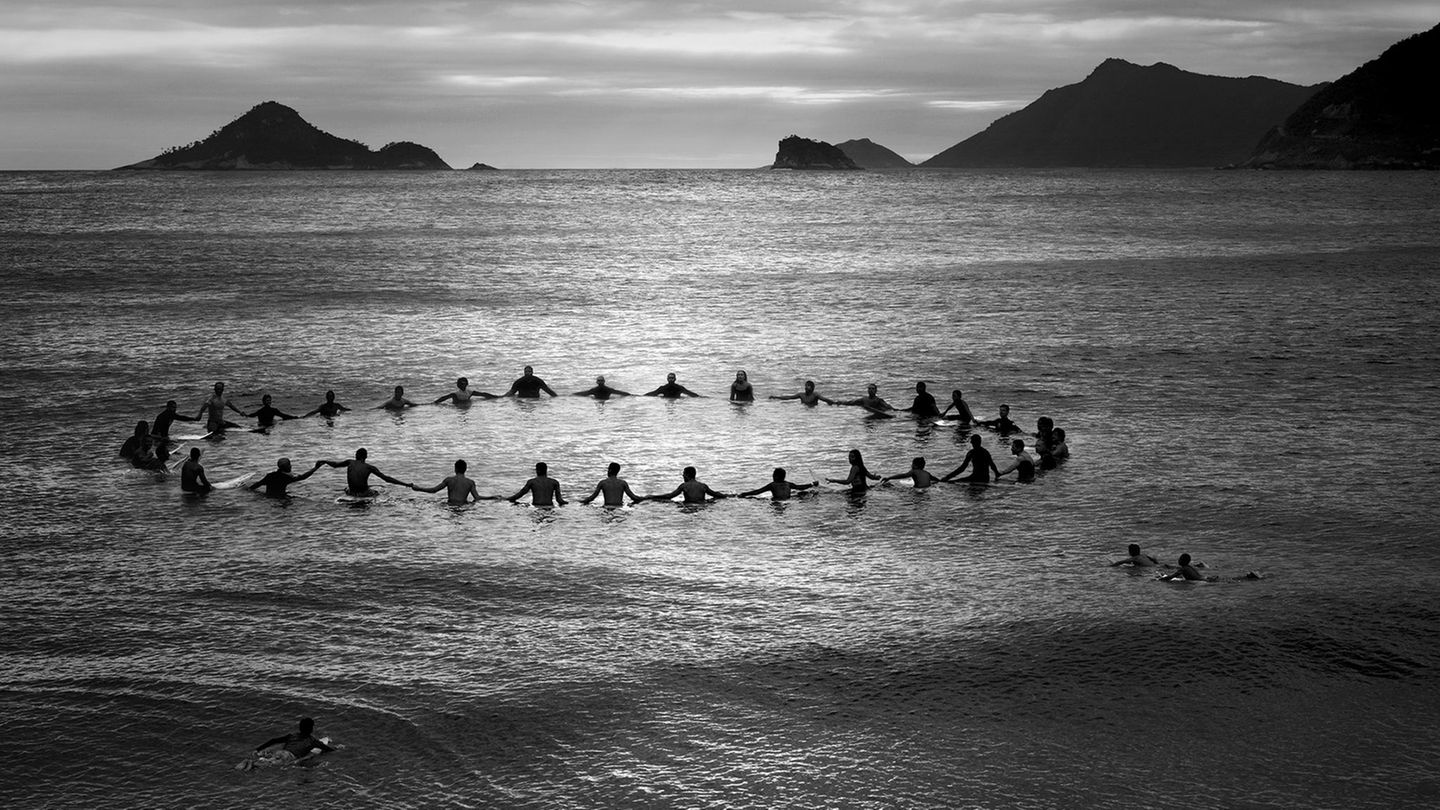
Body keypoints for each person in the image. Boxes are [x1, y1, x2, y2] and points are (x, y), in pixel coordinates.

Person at [245, 717, 336, 769]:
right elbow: (328, 750)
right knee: (271, 764)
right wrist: (337, 748)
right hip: (289, 756)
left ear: (300, 727)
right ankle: (253, 764)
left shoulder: (292, 736)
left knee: (271, 760)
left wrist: (258, 749)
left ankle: (252, 762)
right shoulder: (313, 741)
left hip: (281, 752)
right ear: (311, 729)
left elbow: (273, 740)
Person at [319, 448, 412, 496]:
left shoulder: (350, 462)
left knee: (346, 489)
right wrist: (406, 484)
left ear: (356, 456)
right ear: (366, 457)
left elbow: (335, 465)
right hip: (364, 493)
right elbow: (386, 479)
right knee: (379, 492)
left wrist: (325, 461)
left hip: (351, 492)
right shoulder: (369, 467)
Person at [412, 459, 496, 505]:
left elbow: (433, 490)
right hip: (463, 506)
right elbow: (477, 498)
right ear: (465, 469)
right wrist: (492, 497)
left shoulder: (449, 480)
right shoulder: (470, 482)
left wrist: (419, 488)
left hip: (450, 505)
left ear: (455, 469)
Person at [249, 457, 324, 498]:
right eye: (289, 465)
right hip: (281, 498)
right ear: (287, 467)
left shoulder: (270, 476)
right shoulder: (286, 478)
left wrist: (246, 489)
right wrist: (316, 468)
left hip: (268, 498)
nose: (291, 466)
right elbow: (303, 477)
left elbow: (255, 486)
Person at [648, 466, 727, 503]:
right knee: (713, 500)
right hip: (702, 506)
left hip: (689, 505)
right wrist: (729, 495)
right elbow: (716, 494)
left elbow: (670, 496)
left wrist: (653, 496)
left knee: (667, 502)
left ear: (687, 475)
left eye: (683, 474)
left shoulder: (684, 486)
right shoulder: (703, 486)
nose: (682, 476)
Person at [579, 462, 645, 506]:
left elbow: (592, 498)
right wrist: (645, 498)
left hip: (607, 507)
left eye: (608, 469)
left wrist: (580, 501)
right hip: (619, 507)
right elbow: (634, 498)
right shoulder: (623, 483)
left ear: (610, 470)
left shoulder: (603, 483)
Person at [736, 467, 818, 500]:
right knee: (802, 493)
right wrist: (812, 484)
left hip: (777, 501)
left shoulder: (772, 485)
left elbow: (757, 492)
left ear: (776, 476)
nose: (772, 476)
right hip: (788, 500)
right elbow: (800, 487)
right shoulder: (788, 484)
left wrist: (743, 494)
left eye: (773, 475)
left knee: (754, 498)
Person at [434, 377, 498, 405]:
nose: (462, 385)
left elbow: (483, 394)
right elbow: (443, 398)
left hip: (461, 408)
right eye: (461, 384)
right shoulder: (455, 394)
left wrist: (495, 397)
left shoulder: (470, 392)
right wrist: (434, 403)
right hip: (458, 408)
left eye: (463, 383)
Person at [769, 380, 834, 406]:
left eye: (808, 386)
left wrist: (834, 403)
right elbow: (789, 397)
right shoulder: (801, 395)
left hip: (813, 412)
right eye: (805, 386)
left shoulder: (815, 395)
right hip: (803, 413)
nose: (806, 387)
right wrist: (776, 397)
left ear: (812, 388)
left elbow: (825, 399)